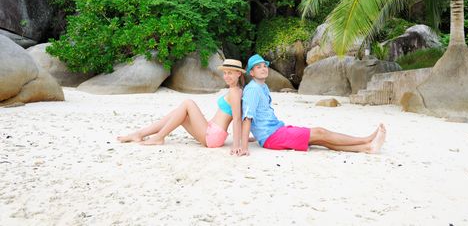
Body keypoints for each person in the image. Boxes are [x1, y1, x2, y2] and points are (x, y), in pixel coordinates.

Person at [239, 54, 386, 156]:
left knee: (321, 140)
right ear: (251, 72)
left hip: (276, 130)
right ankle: (365, 139)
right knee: (321, 133)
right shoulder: (252, 90)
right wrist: (244, 147)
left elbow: (260, 116)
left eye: (264, 66)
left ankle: (367, 147)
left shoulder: (262, 87)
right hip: (272, 136)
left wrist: (256, 136)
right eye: (258, 67)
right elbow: (247, 117)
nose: (263, 68)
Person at [118, 59, 246, 155]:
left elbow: (237, 119)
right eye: (225, 73)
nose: (226, 76)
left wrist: (236, 145)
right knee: (179, 114)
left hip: (213, 136)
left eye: (230, 73)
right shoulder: (234, 90)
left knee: (188, 103)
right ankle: (139, 134)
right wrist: (245, 137)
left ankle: (159, 137)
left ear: (238, 74)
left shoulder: (235, 92)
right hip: (211, 132)